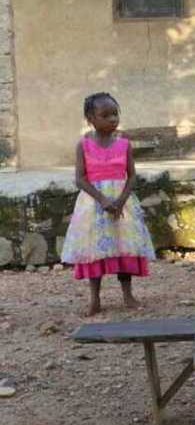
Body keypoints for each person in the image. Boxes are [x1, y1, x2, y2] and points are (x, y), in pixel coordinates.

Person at [61, 93, 156, 316]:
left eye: (115, 114)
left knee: (124, 247)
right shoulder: (83, 145)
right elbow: (80, 179)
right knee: (95, 250)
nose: (113, 119)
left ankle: (128, 295)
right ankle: (95, 299)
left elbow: (131, 176)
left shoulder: (124, 144)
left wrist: (121, 200)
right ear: (90, 119)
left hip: (123, 204)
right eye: (105, 115)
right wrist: (102, 199)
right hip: (94, 204)